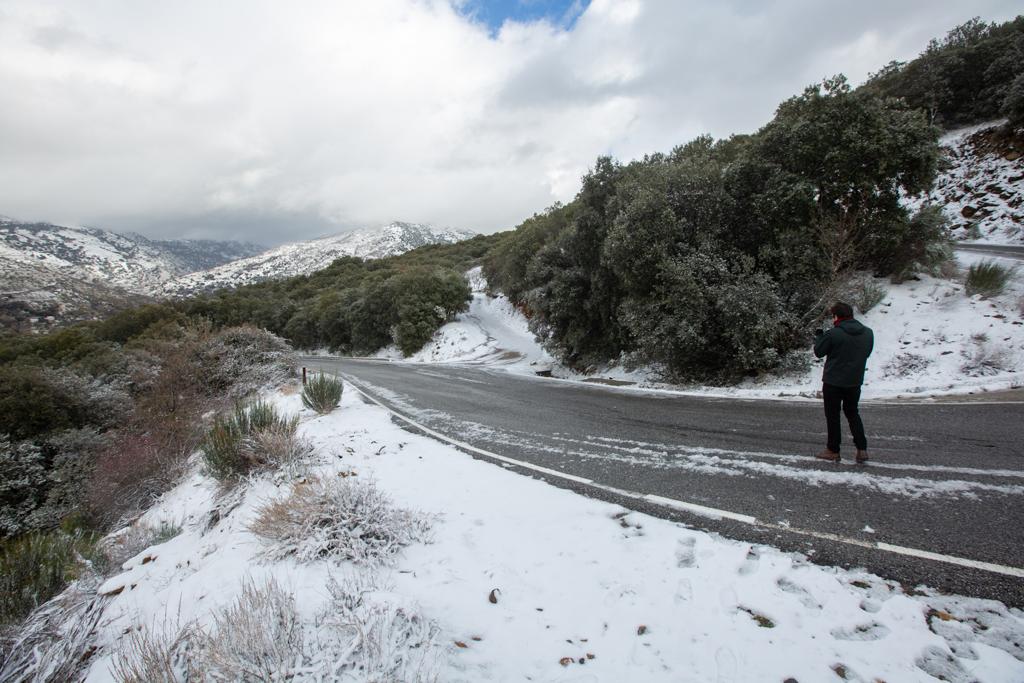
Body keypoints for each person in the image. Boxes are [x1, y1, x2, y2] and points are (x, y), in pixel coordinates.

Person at [813, 302, 873, 464]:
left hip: (833, 381)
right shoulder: (868, 333)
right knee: (853, 413)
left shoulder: (833, 334)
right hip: (854, 381)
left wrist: (819, 336)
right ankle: (862, 449)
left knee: (833, 416)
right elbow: (866, 353)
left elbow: (819, 352)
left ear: (836, 316)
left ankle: (833, 450)